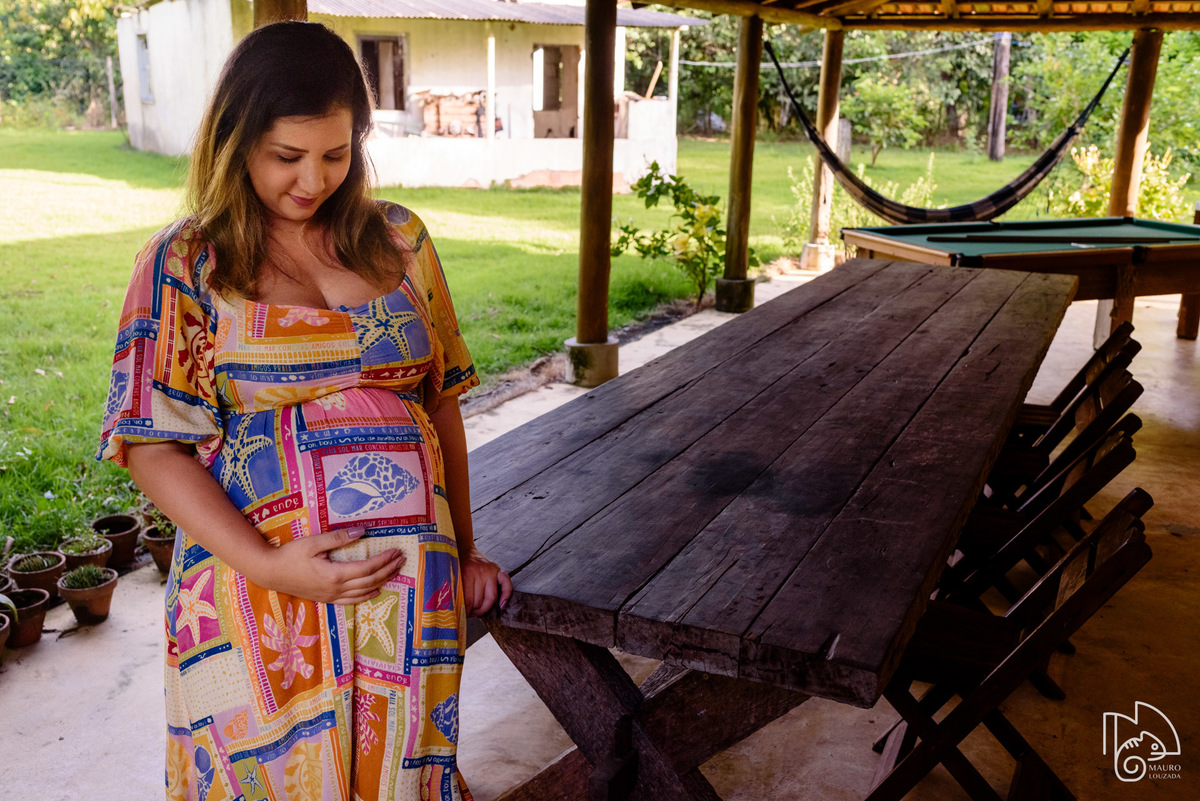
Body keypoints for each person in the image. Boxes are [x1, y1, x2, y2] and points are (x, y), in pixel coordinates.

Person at [97, 21, 510, 801]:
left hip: (408, 601)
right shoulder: (186, 262)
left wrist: (466, 550)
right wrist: (270, 564)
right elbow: (151, 445)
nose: (313, 180)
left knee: (402, 779)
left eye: (335, 153)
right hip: (257, 600)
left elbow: (441, 402)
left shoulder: (402, 239)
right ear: (236, 142)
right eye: (287, 156)